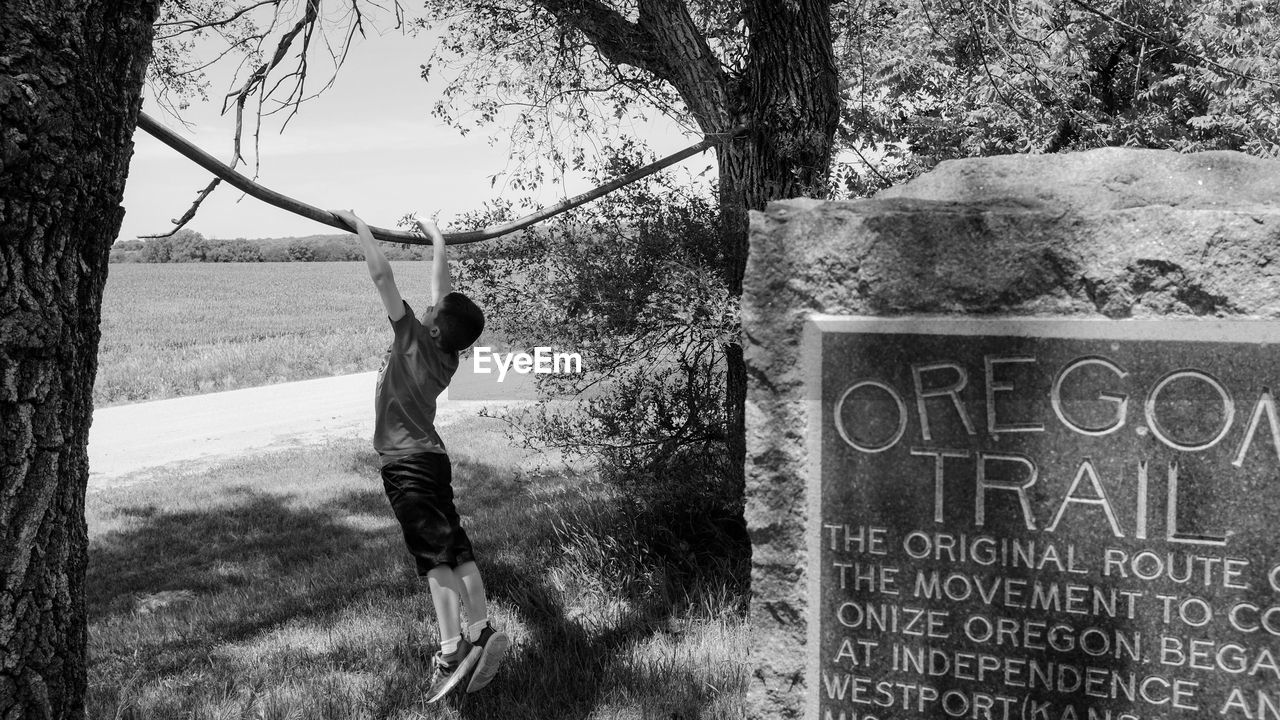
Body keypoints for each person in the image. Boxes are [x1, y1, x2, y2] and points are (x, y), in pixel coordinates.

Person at [333, 209, 510, 703]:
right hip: (433, 460)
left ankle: (451, 649)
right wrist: (437, 240)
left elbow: (382, 275)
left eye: (433, 312)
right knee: (457, 546)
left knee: (434, 560)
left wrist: (359, 227)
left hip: (406, 464)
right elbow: (444, 295)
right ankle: (480, 629)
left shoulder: (410, 333)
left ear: (432, 328)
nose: (428, 308)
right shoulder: (448, 352)